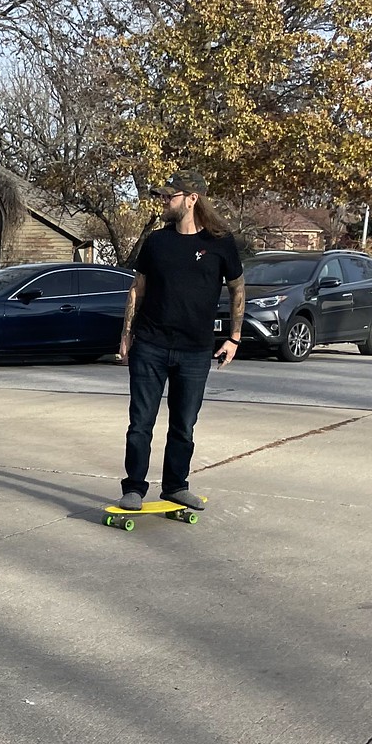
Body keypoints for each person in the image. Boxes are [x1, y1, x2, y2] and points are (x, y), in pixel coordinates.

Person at [116, 170, 246, 512]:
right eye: (162, 195)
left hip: (195, 350)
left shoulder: (220, 242)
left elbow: (237, 289)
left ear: (192, 199)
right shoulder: (156, 242)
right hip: (150, 345)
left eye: (169, 196)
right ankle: (133, 488)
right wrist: (126, 335)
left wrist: (234, 337)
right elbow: (138, 288)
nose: (163, 201)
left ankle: (175, 486)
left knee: (184, 425)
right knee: (140, 423)